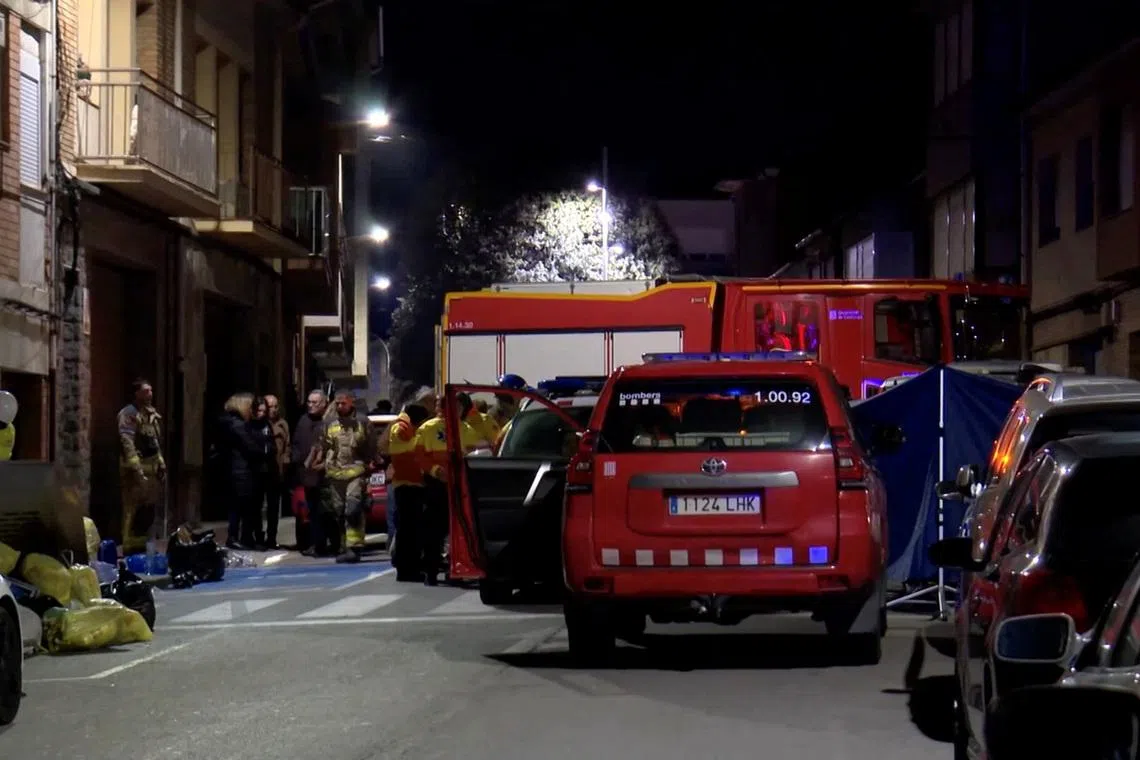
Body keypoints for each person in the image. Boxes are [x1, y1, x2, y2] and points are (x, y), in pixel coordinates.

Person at [416, 391, 484, 585]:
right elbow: (420, 456)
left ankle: (456, 569)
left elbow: (475, 454)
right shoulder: (427, 428)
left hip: (459, 485)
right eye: (445, 405)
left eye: (456, 406)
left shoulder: (466, 429)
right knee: (434, 530)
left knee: (459, 529)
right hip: (436, 485)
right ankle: (431, 569)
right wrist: (436, 471)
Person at [386, 388, 435, 582]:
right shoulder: (401, 429)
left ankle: (410, 566)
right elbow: (411, 448)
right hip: (406, 486)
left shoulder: (405, 428)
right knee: (408, 531)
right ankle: (406, 569)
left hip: (412, 485)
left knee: (411, 530)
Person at [317, 389, 371, 563]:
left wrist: (370, 465)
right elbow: (323, 446)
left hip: (356, 472)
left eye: (344, 403)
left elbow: (371, 446)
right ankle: (344, 545)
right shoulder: (328, 423)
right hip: (335, 473)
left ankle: (354, 547)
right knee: (339, 511)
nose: (340, 406)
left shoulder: (362, 422)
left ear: (351, 403)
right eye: (337, 403)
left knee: (353, 508)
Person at [117, 378, 166, 555]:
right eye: (146, 391)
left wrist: (161, 462)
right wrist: (135, 468)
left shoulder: (150, 415)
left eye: (151, 391)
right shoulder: (129, 414)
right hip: (135, 471)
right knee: (132, 509)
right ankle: (129, 545)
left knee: (148, 509)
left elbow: (154, 441)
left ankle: (144, 543)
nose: (150, 394)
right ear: (136, 393)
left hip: (151, 469)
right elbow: (127, 441)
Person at [216, 392, 265, 550]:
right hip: (241, 470)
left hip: (232, 469)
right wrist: (261, 449)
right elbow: (250, 447)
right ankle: (237, 537)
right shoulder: (238, 425)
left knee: (237, 507)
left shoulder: (226, 422)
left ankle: (239, 537)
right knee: (242, 507)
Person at [292, 389, 329, 555]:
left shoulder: (328, 421)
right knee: (312, 513)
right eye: (309, 402)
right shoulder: (303, 421)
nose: (311, 406)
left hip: (327, 475)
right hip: (308, 476)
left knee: (329, 513)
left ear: (323, 404)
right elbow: (296, 444)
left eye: (315, 403)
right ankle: (316, 544)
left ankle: (333, 544)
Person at [264, 394, 290, 550]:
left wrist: (286, 461)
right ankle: (258, 537)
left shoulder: (283, 424)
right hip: (262, 471)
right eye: (270, 406)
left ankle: (271, 538)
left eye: (275, 406)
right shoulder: (259, 423)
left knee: (274, 508)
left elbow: (287, 445)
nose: (273, 410)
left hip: (277, 471)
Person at [248, 397, 273, 549]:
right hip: (253, 470)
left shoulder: (266, 425)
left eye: (264, 411)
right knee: (253, 506)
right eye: (259, 411)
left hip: (265, 469)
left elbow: (270, 444)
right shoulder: (249, 426)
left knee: (263, 505)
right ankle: (255, 536)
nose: (261, 414)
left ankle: (262, 537)